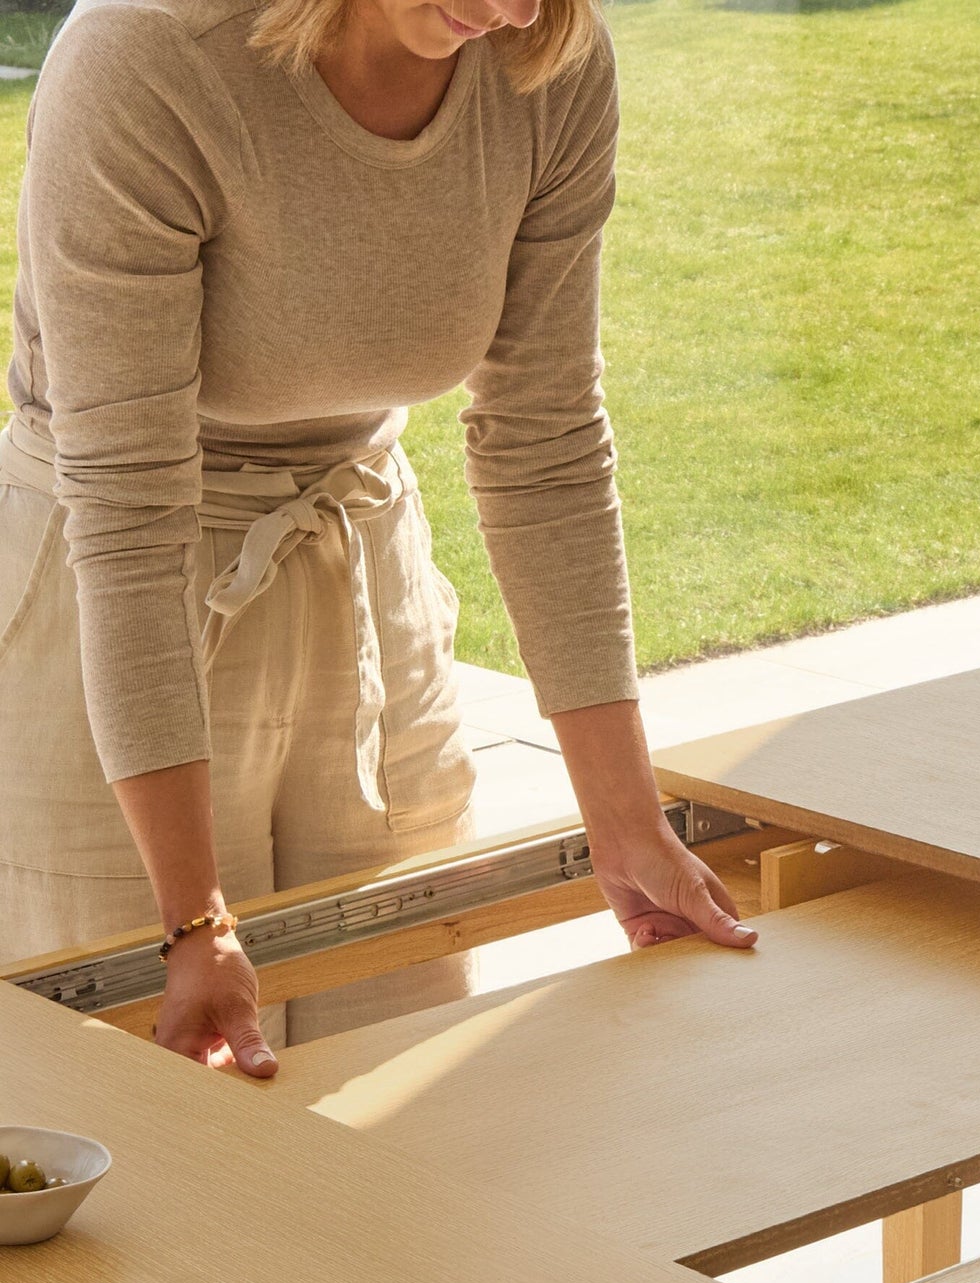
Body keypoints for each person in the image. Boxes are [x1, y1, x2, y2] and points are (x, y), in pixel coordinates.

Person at [0, 0, 756, 1077]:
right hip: (106, 590)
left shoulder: (546, 63)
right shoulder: (150, 55)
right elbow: (127, 510)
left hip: (355, 553)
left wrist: (624, 820)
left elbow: (543, 445)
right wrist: (190, 919)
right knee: (129, 1112)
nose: (513, 10)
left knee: (396, 1075)